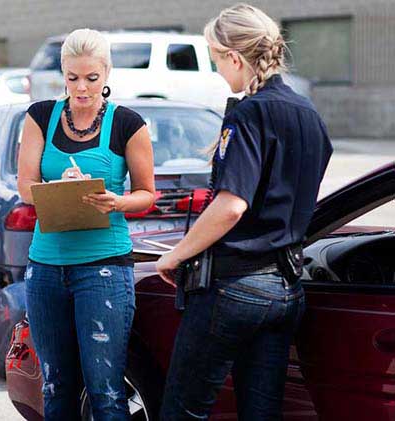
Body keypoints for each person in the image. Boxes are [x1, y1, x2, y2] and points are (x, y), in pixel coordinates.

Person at [155, 4, 333, 419]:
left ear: (234, 57)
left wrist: (176, 254)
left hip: (234, 287)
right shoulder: (309, 114)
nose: (218, 71)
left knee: (182, 410)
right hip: (287, 288)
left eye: (216, 59)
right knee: (262, 413)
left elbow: (232, 205)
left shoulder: (250, 113)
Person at [17, 28, 156, 420]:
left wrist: (117, 201)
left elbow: (147, 193)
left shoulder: (128, 123)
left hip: (104, 269)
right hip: (45, 267)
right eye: (73, 78)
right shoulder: (41, 116)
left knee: (105, 390)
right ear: (63, 73)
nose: (82, 88)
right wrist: (57, 189)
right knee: (56, 386)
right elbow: (25, 187)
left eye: (91, 79)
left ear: (107, 74)